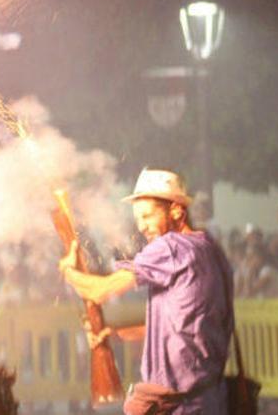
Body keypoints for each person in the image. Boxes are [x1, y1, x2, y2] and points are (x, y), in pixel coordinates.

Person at [59, 168, 233, 414]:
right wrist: (116, 335)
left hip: (180, 407)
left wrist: (68, 271)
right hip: (210, 401)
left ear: (176, 210)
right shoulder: (210, 249)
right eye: (138, 218)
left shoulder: (171, 247)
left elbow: (98, 291)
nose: (141, 226)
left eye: (148, 216)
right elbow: (187, 328)